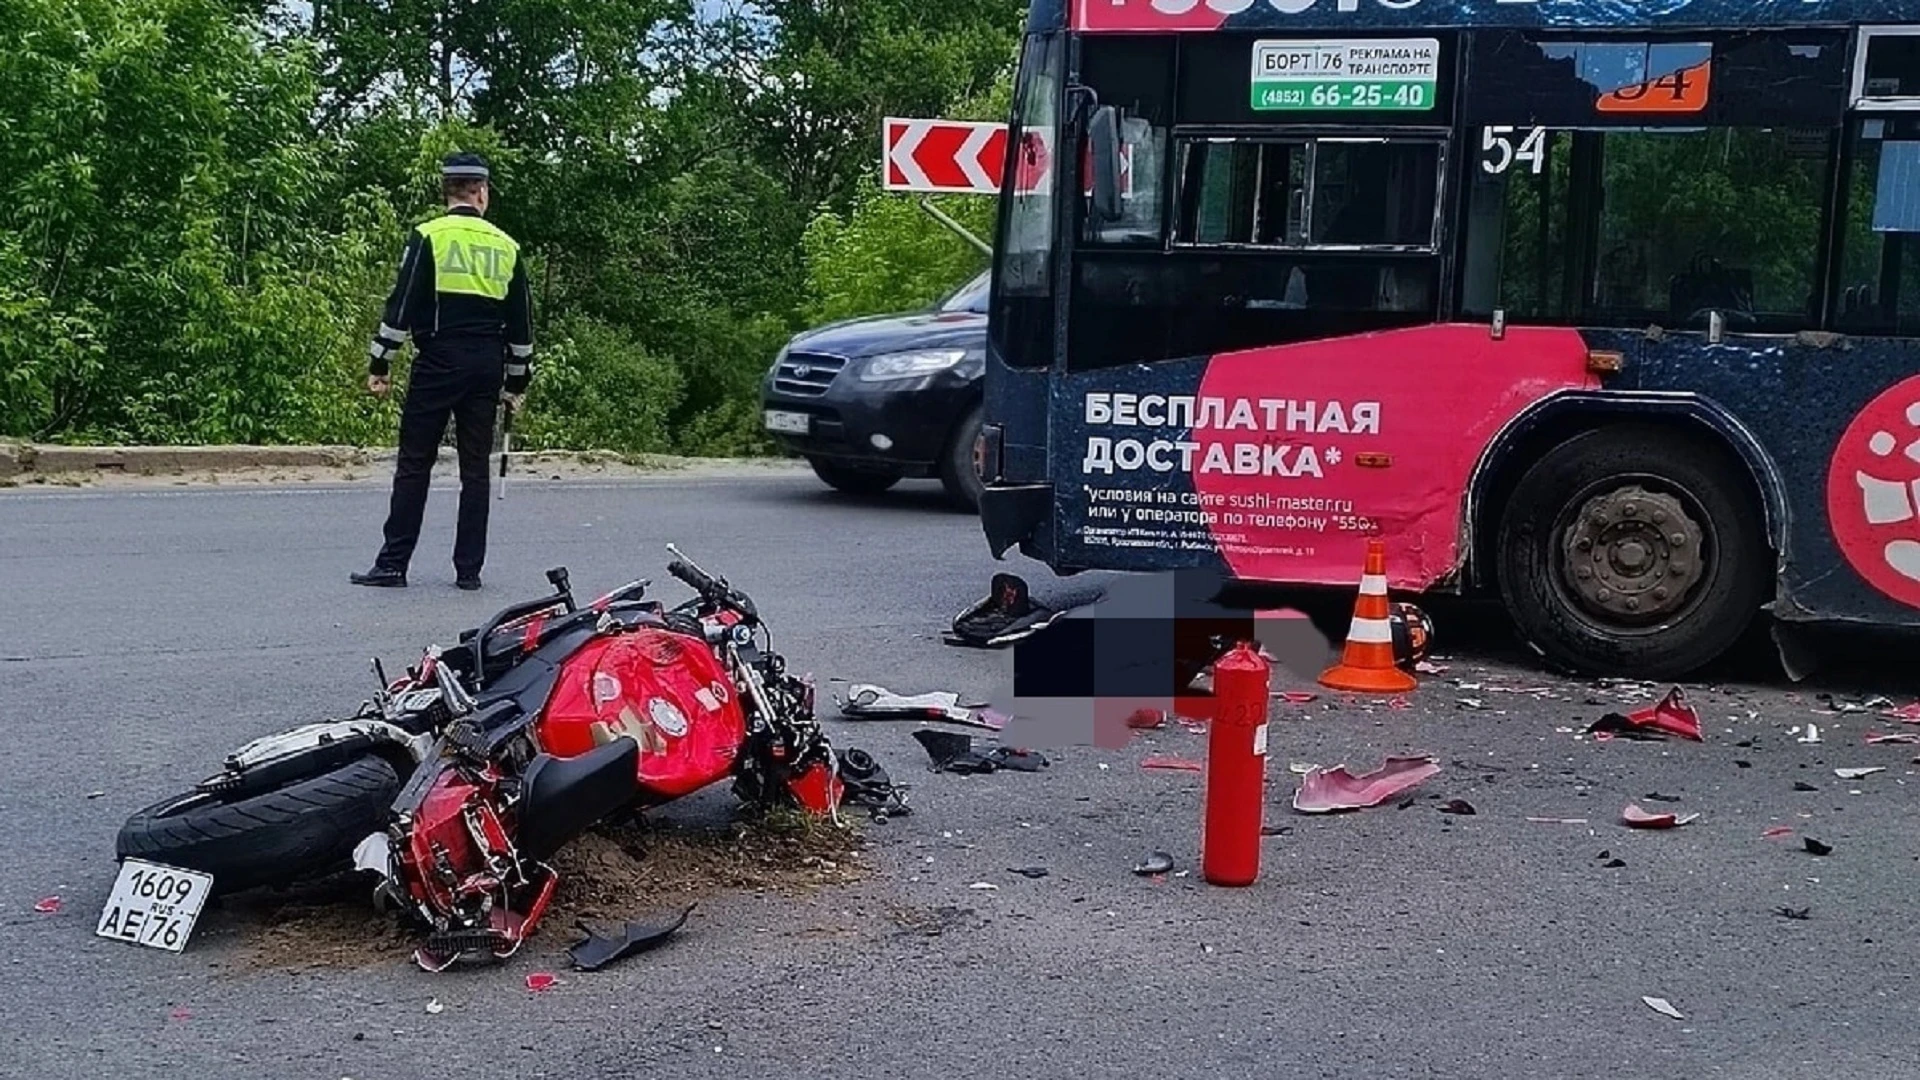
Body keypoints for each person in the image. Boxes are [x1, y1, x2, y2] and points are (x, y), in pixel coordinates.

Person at [351, 152, 535, 591]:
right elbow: (522, 322)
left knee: (415, 463)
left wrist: (381, 362)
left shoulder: (428, 236)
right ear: (481, 193)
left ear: (448, 192)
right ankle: (468, 572)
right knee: (476, 469)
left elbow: (402, 304)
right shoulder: (506, 247)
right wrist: (517, 381)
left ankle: (393, 564)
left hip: (438, 360)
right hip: (486, 365)